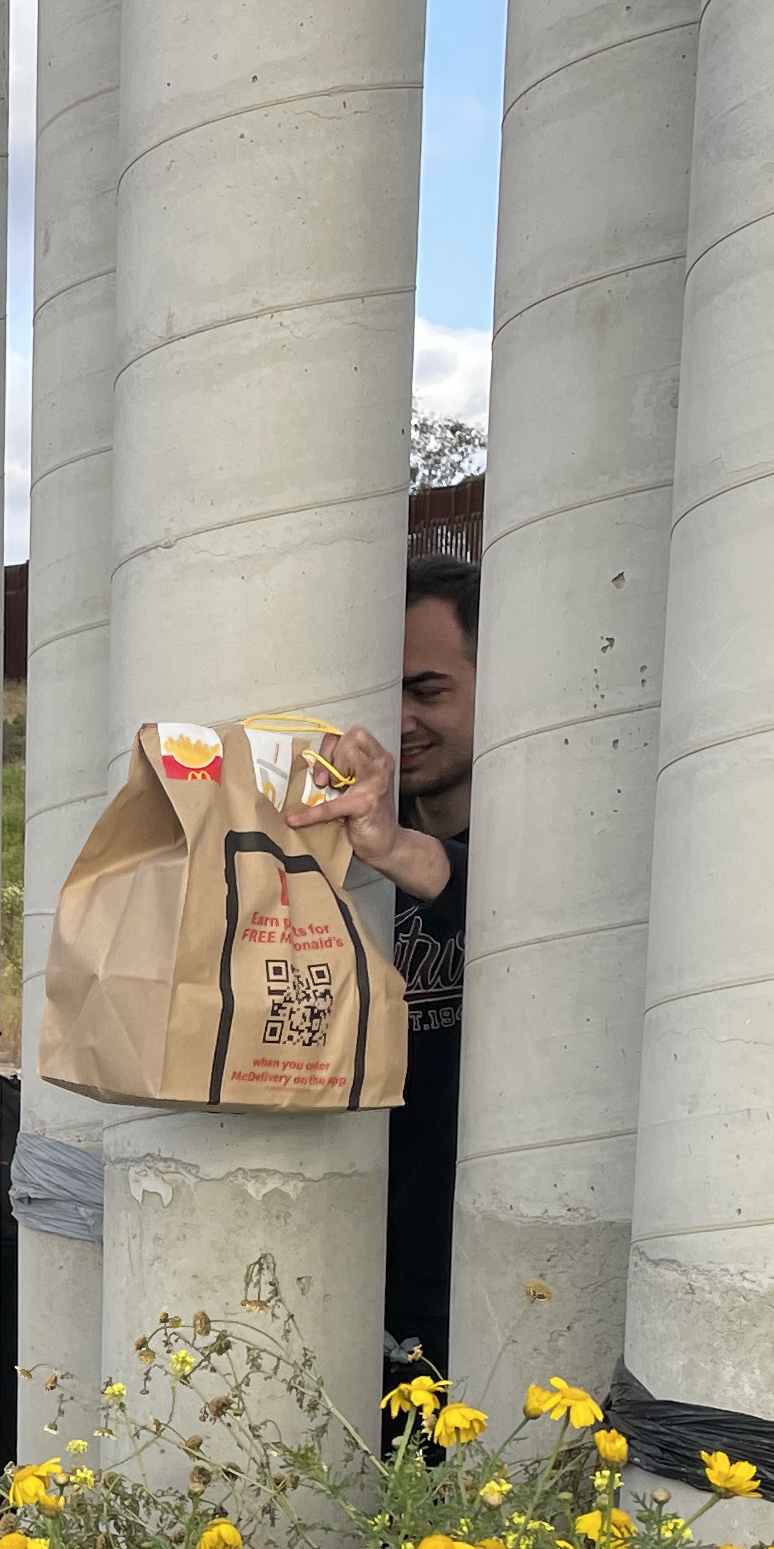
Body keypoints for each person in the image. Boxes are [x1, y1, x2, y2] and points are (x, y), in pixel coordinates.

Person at [305, 553, 477, 1385]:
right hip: (347, 1276)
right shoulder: (350, 858)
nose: (402, 721)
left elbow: (531, 912)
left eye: (430, 690)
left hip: (479, 1294)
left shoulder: (558, 856)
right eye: (387, 696)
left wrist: (396, 849)